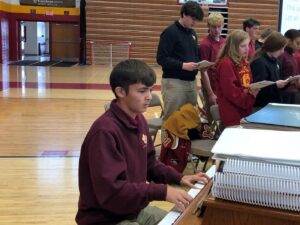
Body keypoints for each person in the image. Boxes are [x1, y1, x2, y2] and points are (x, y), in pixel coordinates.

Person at [75, 59, 209, 225]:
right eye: (142, 91)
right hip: (105, 218)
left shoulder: (138, 120)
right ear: (120, 92)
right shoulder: (104, 132)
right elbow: (112, 192)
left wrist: (180, 178)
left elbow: (150, 164)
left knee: (184, 222)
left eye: (150, 90)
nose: (149, 97)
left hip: (132, 210)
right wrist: (162, 191)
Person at [157, 1, 204, 120]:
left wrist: (200, 64)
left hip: (192, 83)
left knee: (189, 118)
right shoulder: (170, 32)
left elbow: (193, 55)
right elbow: (161, 58)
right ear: (183, 14)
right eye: (192, 18)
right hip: (174, 83)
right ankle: (168, 140)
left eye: (196, 20)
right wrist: (183, 65)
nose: (194, 22)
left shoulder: (192, 33)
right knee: (171, 119)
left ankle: (185, 140)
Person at [215, 30, 258, 127]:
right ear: (233, 47)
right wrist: (249, 97)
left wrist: (253, 91)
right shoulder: (226, 63)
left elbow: (247, 84)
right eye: (243, 46)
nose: (247, 49)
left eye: (248, 45)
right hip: (232, 112)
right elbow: (231, 92)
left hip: (245, 109)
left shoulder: (244, 62)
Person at [250, 32, 289, 108]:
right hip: (262, 106)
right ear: (273, 47)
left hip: (273, 104)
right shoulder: (260, 62)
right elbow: (257, 88)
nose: (282, 52)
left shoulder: (276, 61)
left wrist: (288, 82)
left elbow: (277, 80)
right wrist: (276, 85)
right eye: (280, 49)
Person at [199, 12, 225, 111]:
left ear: (223, 25)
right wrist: (210, 93)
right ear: (208, 26)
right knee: (212, 114)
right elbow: (203, 71)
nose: (217, 30)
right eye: (214, 27)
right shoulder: (205, 45)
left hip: (222, 84)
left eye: (219, 27)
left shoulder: (224, 41)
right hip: (211, 86)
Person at [278, 29, 300, 104]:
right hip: (284, 93)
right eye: (297, 43)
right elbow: (278, 76)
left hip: (292, 91)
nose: (299, 46)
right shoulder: (282, 55)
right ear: (289, 41)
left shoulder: (292, 55)